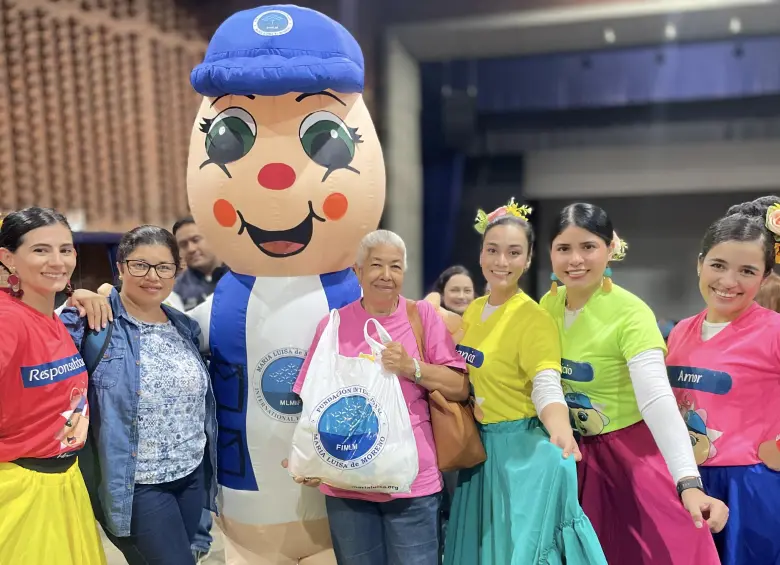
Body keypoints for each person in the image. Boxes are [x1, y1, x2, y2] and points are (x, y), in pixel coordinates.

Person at [540, 202, 728, 565]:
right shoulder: (546, 307)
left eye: (588, 247)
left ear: (610, 248)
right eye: (563, 248)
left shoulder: (631, 314)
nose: (575, 259)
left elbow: (657, 398)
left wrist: (688, 481)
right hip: (571, 457)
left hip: (633, 456)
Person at [288, 229, 468, 565]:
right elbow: (310, 402)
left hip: (411, 483)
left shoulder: (422, 317)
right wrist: (306, 455)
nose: (386, 275)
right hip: (346, 482)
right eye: (376, 265)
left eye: (396, 267)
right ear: (357, 271)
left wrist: (412, 367)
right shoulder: (333, 325)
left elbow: (459, 387)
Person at [444, 200, 606, 565]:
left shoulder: (533, 319)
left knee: (520, 553)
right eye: (493, 250)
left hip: (523, 457)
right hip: (479, 452)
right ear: (481, 254)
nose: (502, 261)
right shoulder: (472, 311)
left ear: (529, 259)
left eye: (514, 252)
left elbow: (546, 384)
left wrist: (560, 428)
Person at [60, 225, 219, 565]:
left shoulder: (183, 326)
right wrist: (78, 297)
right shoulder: (93, 321)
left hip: (190, 475)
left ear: (177, 271)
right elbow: (46, 348)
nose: (153, 276)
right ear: (120, 267)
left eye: (164, 267)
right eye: (139, 265)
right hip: (136, 484)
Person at [666, 196, 780, 565]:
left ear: (764, 276)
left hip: (751, 489)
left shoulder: (774, 331)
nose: (729, 282)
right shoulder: (681, 331)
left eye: (747, 271)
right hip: (687, 484)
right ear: (699, 264)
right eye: (718, 265)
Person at [0, 207, 107, 565]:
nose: (58, 261)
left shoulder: (54, 317)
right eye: (41, 249)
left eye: (66, 249)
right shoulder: (7, 319)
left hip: (64, 483)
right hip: (19, 491)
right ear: (8, 258)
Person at [172, 216, 227, 312]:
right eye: (183, 244)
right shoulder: (176, 290)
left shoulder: (241, 276)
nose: (191, 249)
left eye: (196, 240)